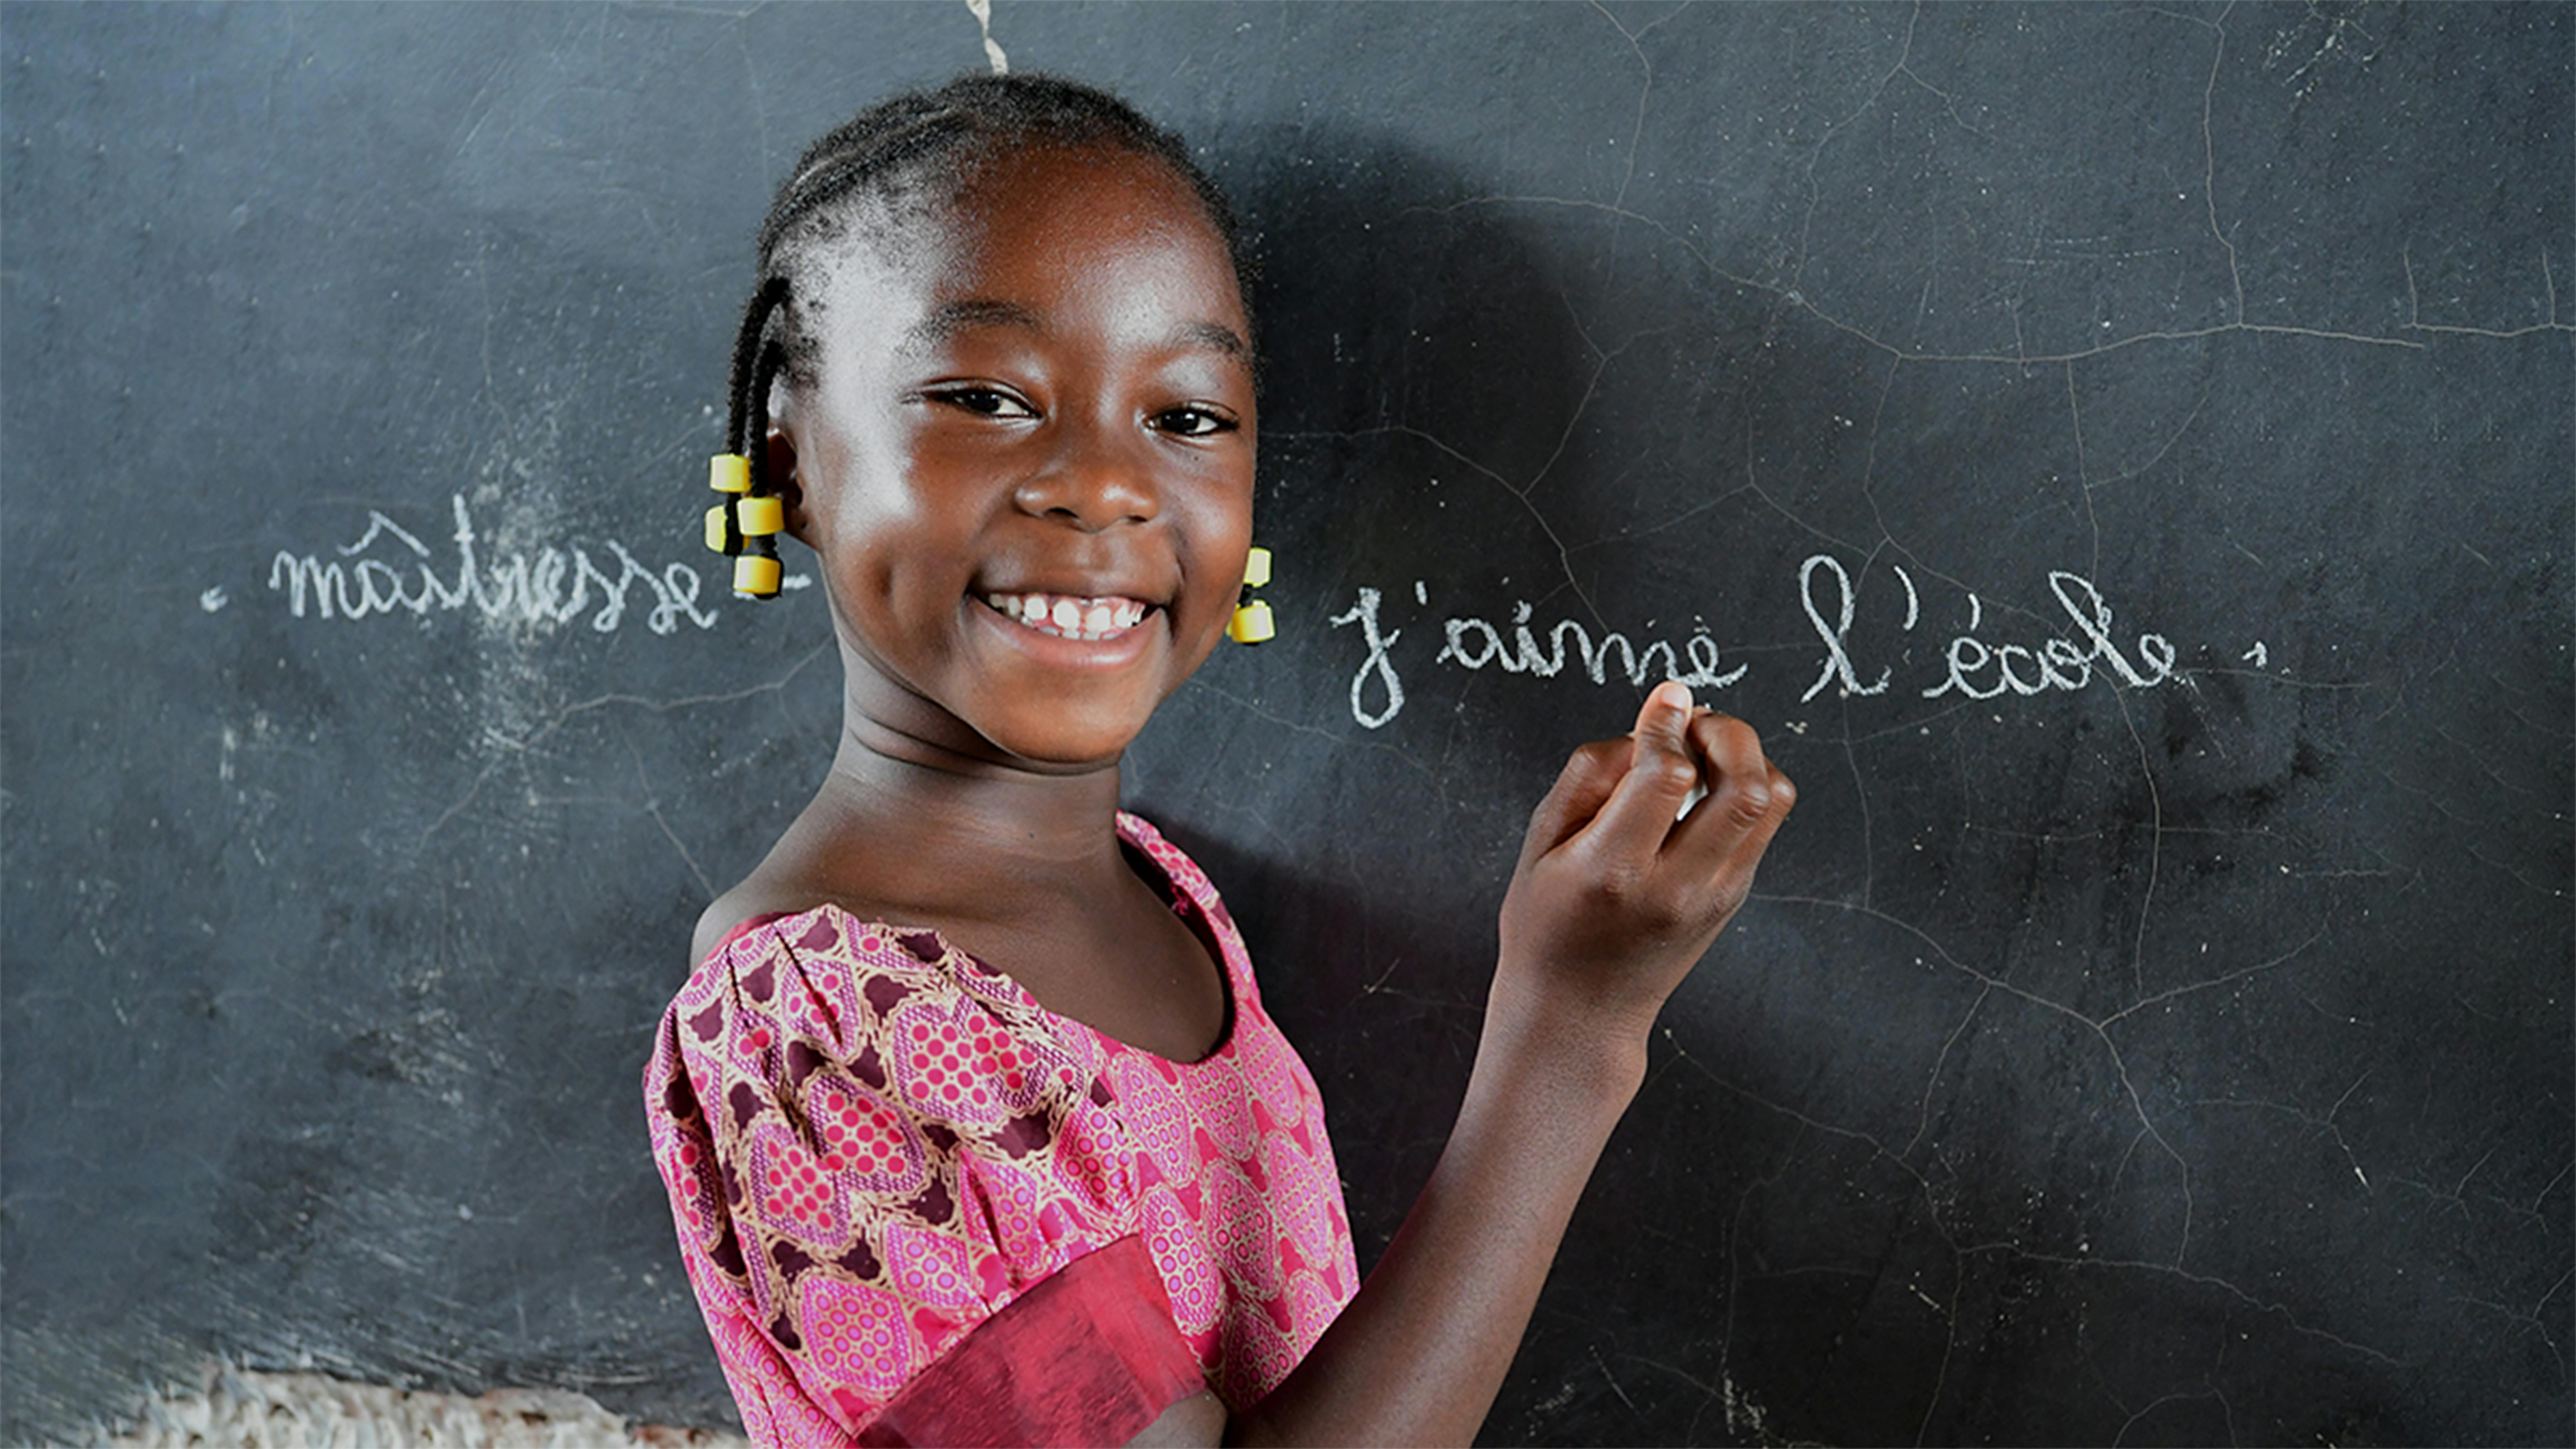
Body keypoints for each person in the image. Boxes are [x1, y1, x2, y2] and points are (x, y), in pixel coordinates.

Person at [644, 72, 1794, 1448]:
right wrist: (1569, 1036)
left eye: (1186, 418)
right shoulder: (816, 1026)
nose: (1106, 482)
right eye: (985, 396)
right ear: (786, 467)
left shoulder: (1157, 890)